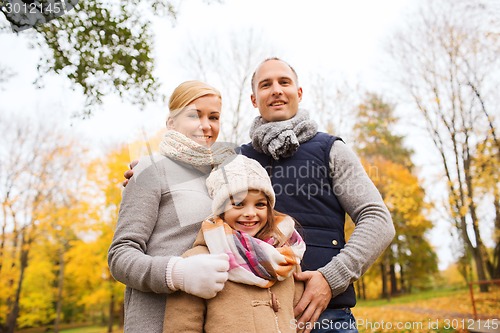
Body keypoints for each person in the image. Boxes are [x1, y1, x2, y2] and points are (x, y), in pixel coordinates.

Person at [123, 58, 395, 333]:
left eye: (284, 82)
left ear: (299, 93)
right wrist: (148, 170)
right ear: (254, 99)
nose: (276, 90)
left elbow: (378, 220)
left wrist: (330, 278)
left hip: (328, 315)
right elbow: (187, 171)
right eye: (266, 85)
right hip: (257, 319)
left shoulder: (330, 150)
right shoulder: (232, 162)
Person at [108, 80, 237, 333]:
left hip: (216, 321)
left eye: (214, 117)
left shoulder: (226, 178)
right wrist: (177, 273)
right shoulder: (149, 169)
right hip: (156, 322)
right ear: (171, 123)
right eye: (194, 115)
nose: (206, 125)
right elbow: (120, 255)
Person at [163, 154, 306, 333]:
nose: (250, 213)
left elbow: (299, 319)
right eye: (238, 204)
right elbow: (182, 327)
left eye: (260, 204)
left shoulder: (287, 257)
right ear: (220, 209)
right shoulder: (198, 261)